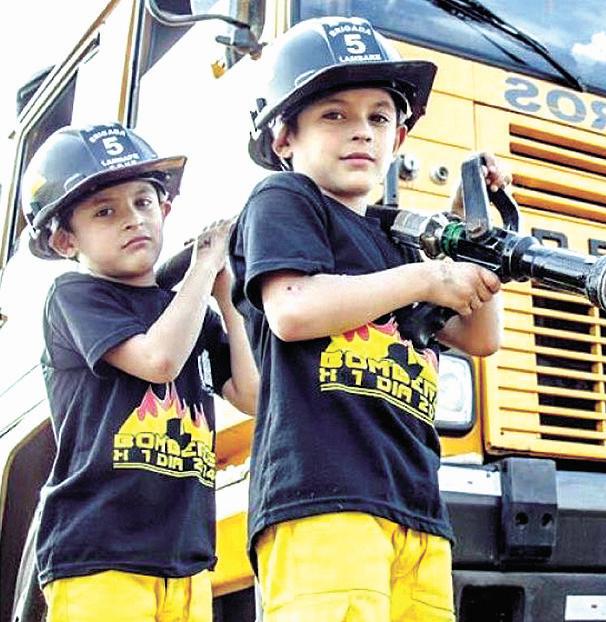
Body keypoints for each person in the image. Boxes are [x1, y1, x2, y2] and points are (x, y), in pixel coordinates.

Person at [230, 16, 506, 621]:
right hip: (322, 503)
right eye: (334, 115)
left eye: (379, 118)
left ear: (398, 138)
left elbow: (480, 336)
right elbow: (293, 309)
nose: (361, 131)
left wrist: (477, 239)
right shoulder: (285, 199)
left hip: (417, 511)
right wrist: (428, 278)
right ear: (284, 138)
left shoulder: (399, 242)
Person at [21, 122, 258, 622]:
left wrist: (226, 295)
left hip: (185, 561)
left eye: (143, 202)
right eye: (105, 211)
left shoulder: (191, 312)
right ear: (64, 240)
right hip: (100, 557)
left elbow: (252, 394)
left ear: (165, 210)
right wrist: (201, 267)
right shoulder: (74, 297)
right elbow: (158, 361)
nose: (132, 219)